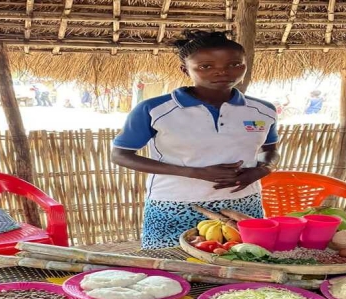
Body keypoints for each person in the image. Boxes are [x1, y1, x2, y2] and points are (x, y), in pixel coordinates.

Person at [111, 30, 280, 249]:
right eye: (206, 66)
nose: (222, 72)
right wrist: (194, 173)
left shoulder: (263, 110)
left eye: (234, 64)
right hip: (175, 204)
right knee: (173, 267)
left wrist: (262, 169)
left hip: (243, 203)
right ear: (185, 69)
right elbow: (120, 155)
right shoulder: (155, 109)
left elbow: (270, 149)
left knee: (243, 266)